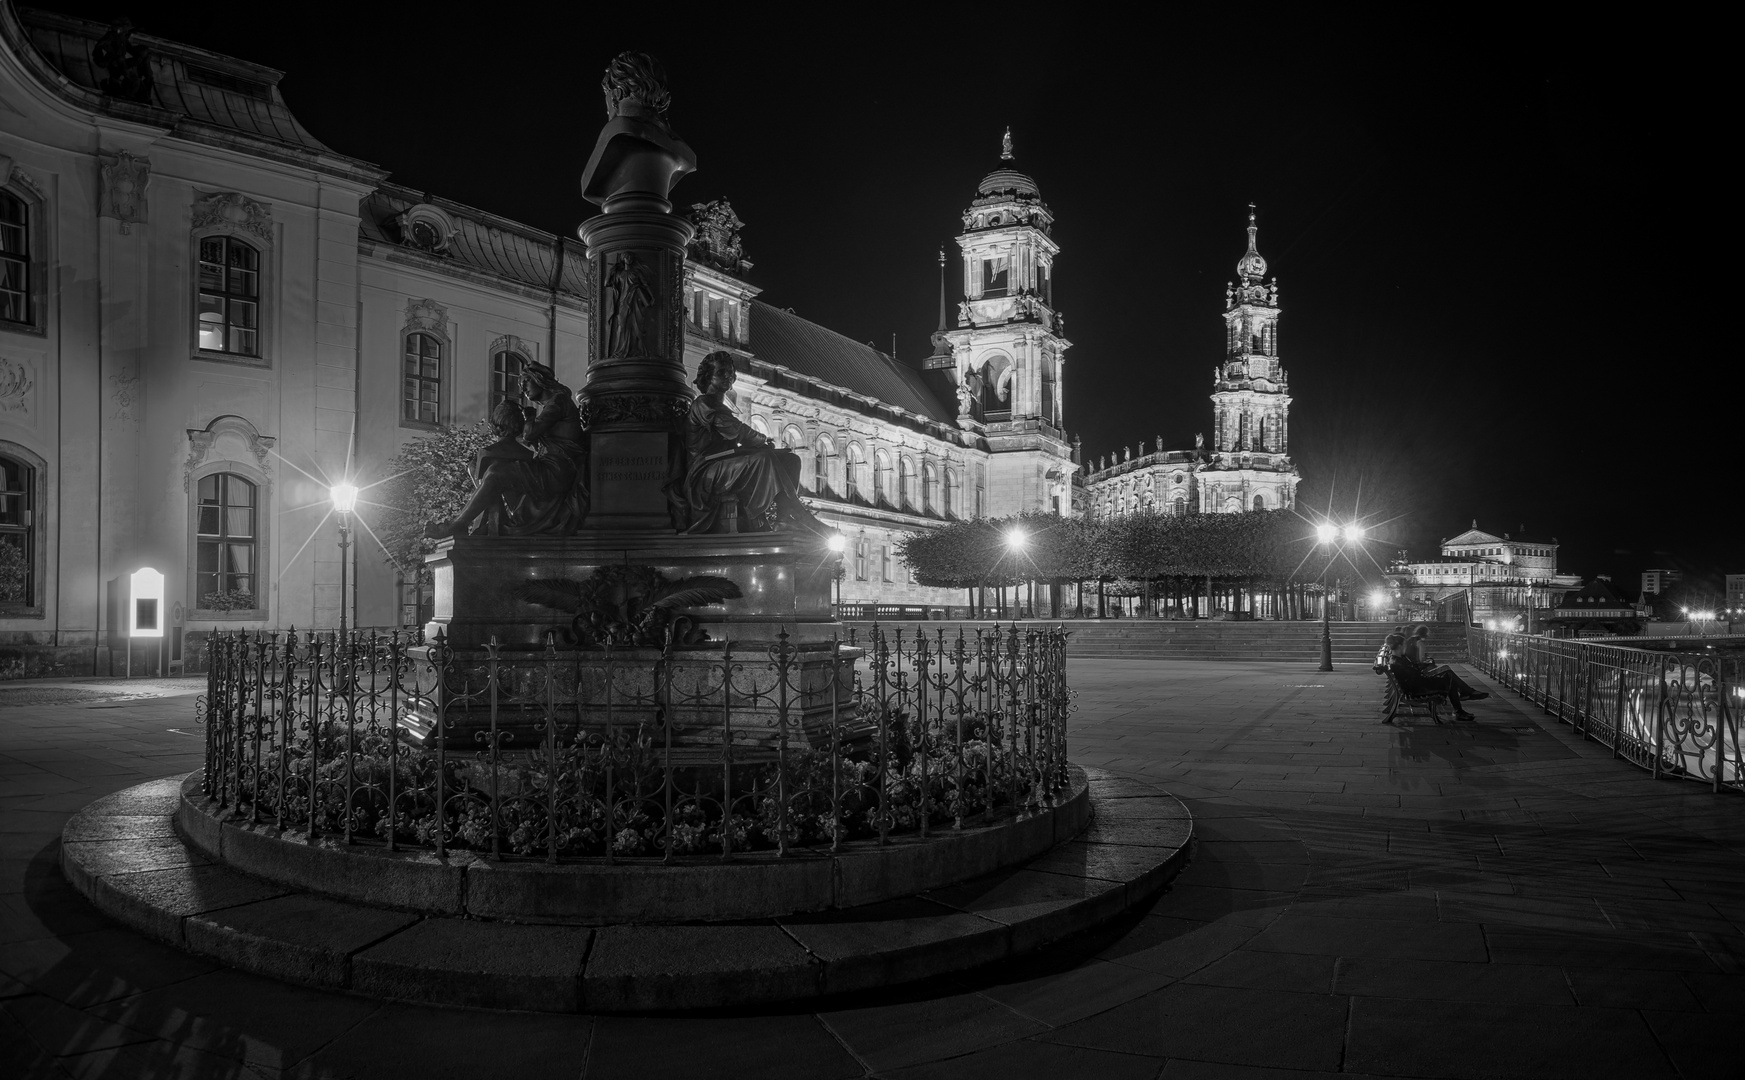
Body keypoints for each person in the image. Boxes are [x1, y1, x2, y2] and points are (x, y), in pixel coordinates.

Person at [425, 363, 587, 538]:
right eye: (520, 385)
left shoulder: (559, 400)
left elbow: (529, 434)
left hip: (556, 471)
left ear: (539, 380)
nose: (523, 388)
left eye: (526, 382)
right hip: (551, 467)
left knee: (496, 473)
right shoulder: (555, 403)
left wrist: (529, 417)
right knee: (495, 469)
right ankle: (489, 523)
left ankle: (458, 525)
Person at [678, 352, 828, 535]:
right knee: (763, 459)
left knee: (791, 459)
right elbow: (737, 430)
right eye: (721, 372)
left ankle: (784, 519)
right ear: (708, 376)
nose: (728, 376)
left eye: (731, 372)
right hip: (704, 470)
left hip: (723, 463)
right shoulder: (703, 404)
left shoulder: (721, 406)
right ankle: (800, 514)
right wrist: (763, 440)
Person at [1385, 633, 1476, 721]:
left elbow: (1413, 672)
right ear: (1400, 646)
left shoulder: (1397, 659)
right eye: (1404, 645)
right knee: (1449, 677)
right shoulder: (1398, 662)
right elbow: (1415, 677)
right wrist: (1427, 673)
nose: (1406, 647)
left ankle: (1462, 703)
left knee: (1448, 674)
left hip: (1417, 685)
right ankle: (1462, 703)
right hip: (1416, 690)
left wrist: (1423, 666)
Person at [1406, 624, 1488, 700]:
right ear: (1425, 634)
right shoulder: (1420, 642)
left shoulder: (1410, 640)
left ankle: (1466, 691)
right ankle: (1467, 691)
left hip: (1413, 670)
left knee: (1447, 669)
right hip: (1420, 671)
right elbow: (1421, 660)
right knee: (1448, 672)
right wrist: (1429, 661)